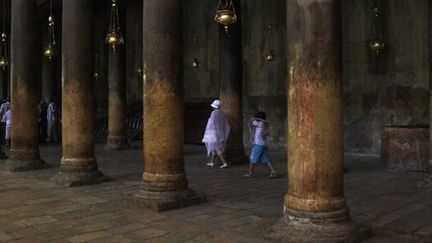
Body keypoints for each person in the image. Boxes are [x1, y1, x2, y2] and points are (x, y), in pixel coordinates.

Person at [243, 111, 277, 178]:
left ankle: (250, 173)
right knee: (266, 159)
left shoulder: (260, 123)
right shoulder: (263, 124)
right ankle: (273, 172)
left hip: (258, 144)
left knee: (252, 159)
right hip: (263, 144)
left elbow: (250, 121)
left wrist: (256, 118)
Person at [202, 99, 230, 168]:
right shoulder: (222, 113)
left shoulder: (213, 113)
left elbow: (211, 123)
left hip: (214, 132)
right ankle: (212, 161)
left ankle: (224, 163)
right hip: (220, 132)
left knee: (217, 148)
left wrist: (208, 133)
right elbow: (225, 124)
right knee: (215, 147)